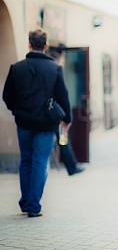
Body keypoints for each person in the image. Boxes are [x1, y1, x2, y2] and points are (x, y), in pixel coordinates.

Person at [2, 29, 71, 217]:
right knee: (40, 161)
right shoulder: (55, 69)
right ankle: (33, 206)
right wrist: (67, 119)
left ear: (29, 44)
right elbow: (63, 97)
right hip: (46, 123)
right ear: (46, 46)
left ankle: (25, 202)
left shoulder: (17, 68)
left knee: (26, 160)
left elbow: (7, 96)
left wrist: (17, 110)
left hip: (23, 122)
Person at [47, 44, 84, 176]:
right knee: (63, 140)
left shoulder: (50, 68)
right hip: (57, 115)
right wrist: (67, 117)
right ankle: (72, 166)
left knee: (62, 141)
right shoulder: (56, 69)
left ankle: (71, 166)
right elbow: (63, 94)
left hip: (54, 113)